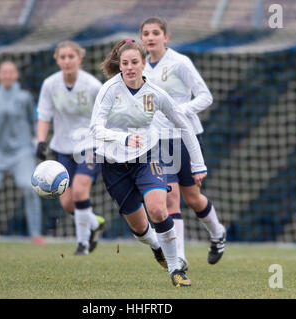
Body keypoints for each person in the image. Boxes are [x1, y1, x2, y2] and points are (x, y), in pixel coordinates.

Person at [91, 39, 207, 287]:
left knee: (158, 209)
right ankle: (156, 246)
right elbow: (95, 129)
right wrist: (123, 138)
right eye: (125, 63)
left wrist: (198, 164)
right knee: (141, 229)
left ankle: (176, 269)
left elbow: (184, 127)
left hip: (147, 157)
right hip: (113, 165)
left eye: (135, 62)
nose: (130, 67)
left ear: (144, 63)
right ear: (119, 65)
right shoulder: (109, 89)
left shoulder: (156, 93)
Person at [140, 17, 226, 269]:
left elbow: (205, 96)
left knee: (193, 197)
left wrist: (180, 110)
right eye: (146, 33)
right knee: (170, 198)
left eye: (156, 32)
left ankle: (217, 232)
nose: (151, 37)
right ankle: (179, 258)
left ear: (166, 37)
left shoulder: (180, 62)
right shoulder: (141, 66)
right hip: (158, 141)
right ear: (142, 38)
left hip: (185, 137)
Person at [36, 41, 105, 255]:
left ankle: (83, 245)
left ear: (80, 59)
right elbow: (44, 116)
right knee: (67, 203)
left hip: (90, 146)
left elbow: (106, 116)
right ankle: (93, 223)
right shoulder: (49, 84)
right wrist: (41, 141)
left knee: (79, 190)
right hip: (63, 147)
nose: (67, 61)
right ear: (57, 60)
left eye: (71, 57)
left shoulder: (93, 85)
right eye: (62, 57)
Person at [0, 61, 45, 245]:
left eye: (11, 72)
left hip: (22, 152)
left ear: (16, 75)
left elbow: (35, 119)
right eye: (4, 72)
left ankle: (36, 234)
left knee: (30, 187)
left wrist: (38, 139)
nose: (7, 75)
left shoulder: (25, 97)